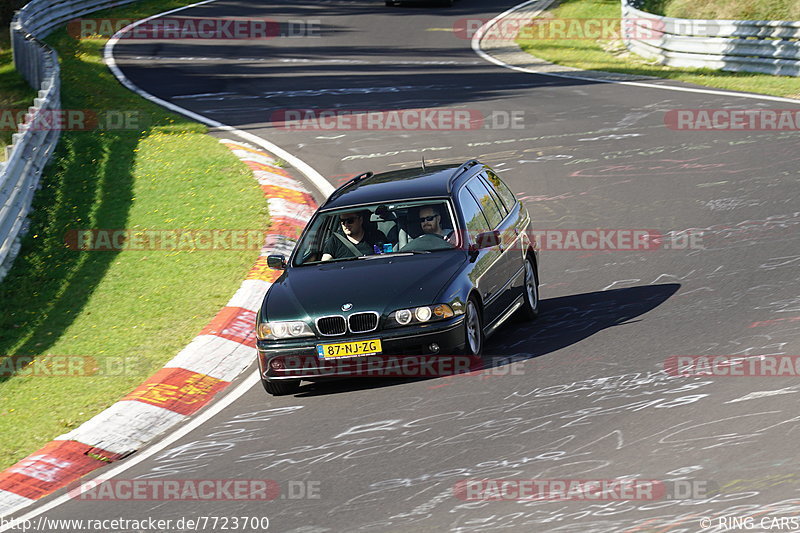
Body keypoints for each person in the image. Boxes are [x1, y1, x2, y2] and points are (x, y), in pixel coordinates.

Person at [321, 211, 387, 261]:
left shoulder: (377, 237)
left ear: (360, 220)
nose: (346, 225)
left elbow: (388, 258)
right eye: (342, 221)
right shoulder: (334, 240)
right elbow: (325, 263)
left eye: (350, 221)